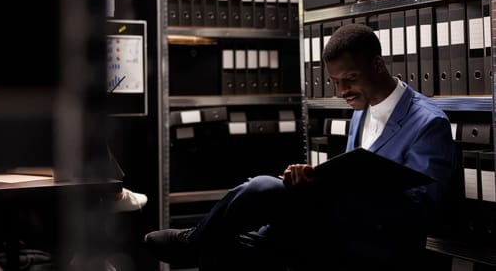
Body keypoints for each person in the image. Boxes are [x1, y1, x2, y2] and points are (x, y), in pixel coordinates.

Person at [143, 23, 456, 270]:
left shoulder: (428, 123)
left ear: (377, 65)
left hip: (377, 245)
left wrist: (336, 192)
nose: (342, 91)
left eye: (349, 78)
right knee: (227, 247)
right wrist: (317, 182)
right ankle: (201, 242)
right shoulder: (363, 110)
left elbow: (419, 211)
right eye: (335, 81)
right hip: (335, 230)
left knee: (264, 189)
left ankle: (193, 241)